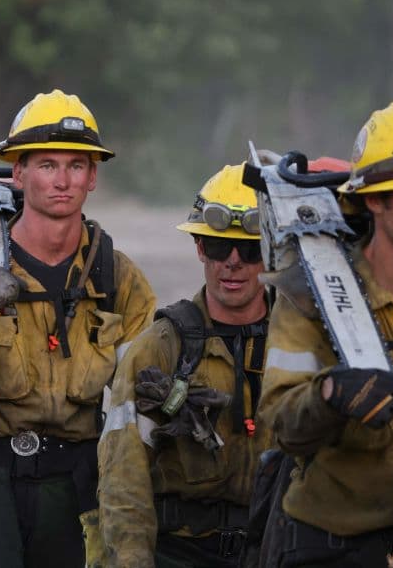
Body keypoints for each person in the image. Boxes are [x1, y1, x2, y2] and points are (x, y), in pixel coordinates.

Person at [0, 89, 156, 568]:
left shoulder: (116, 277)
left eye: (76, 166)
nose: (62, 181)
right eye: (46, 165)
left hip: (73, 487)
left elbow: (144, 395)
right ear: (17, 173)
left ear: (93, 176)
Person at [258, 101, 393, 567]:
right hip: (332, 545)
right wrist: (329, 395)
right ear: (373, 199)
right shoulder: (311, 295)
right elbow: (280, 424)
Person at [99, 163, 270, 567]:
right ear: (198, 248)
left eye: (250, 249)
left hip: (275, 549)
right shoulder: (160, 348)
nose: (232, 263)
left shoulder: (300, 342)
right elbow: (124, 476)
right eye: (216, 247)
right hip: (181, 552)